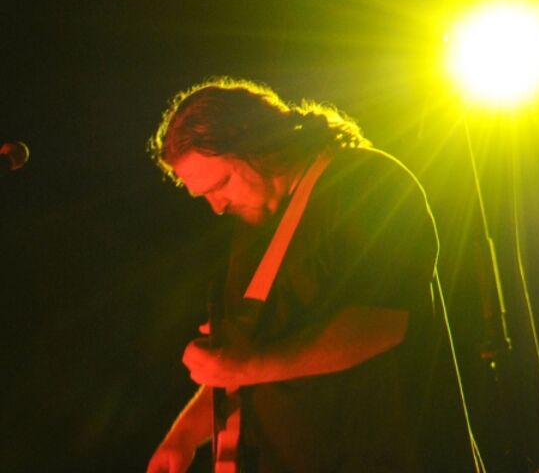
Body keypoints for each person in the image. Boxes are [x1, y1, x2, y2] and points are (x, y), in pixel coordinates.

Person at [145, 78, 476, 473]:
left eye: (222, 184)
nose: (217, 207)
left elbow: (384, 322)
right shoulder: (253, 232)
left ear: (254, 141)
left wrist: (245, 365)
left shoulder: (367, 181)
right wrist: (183, 436)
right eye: (205, 196)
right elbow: (245, 362)